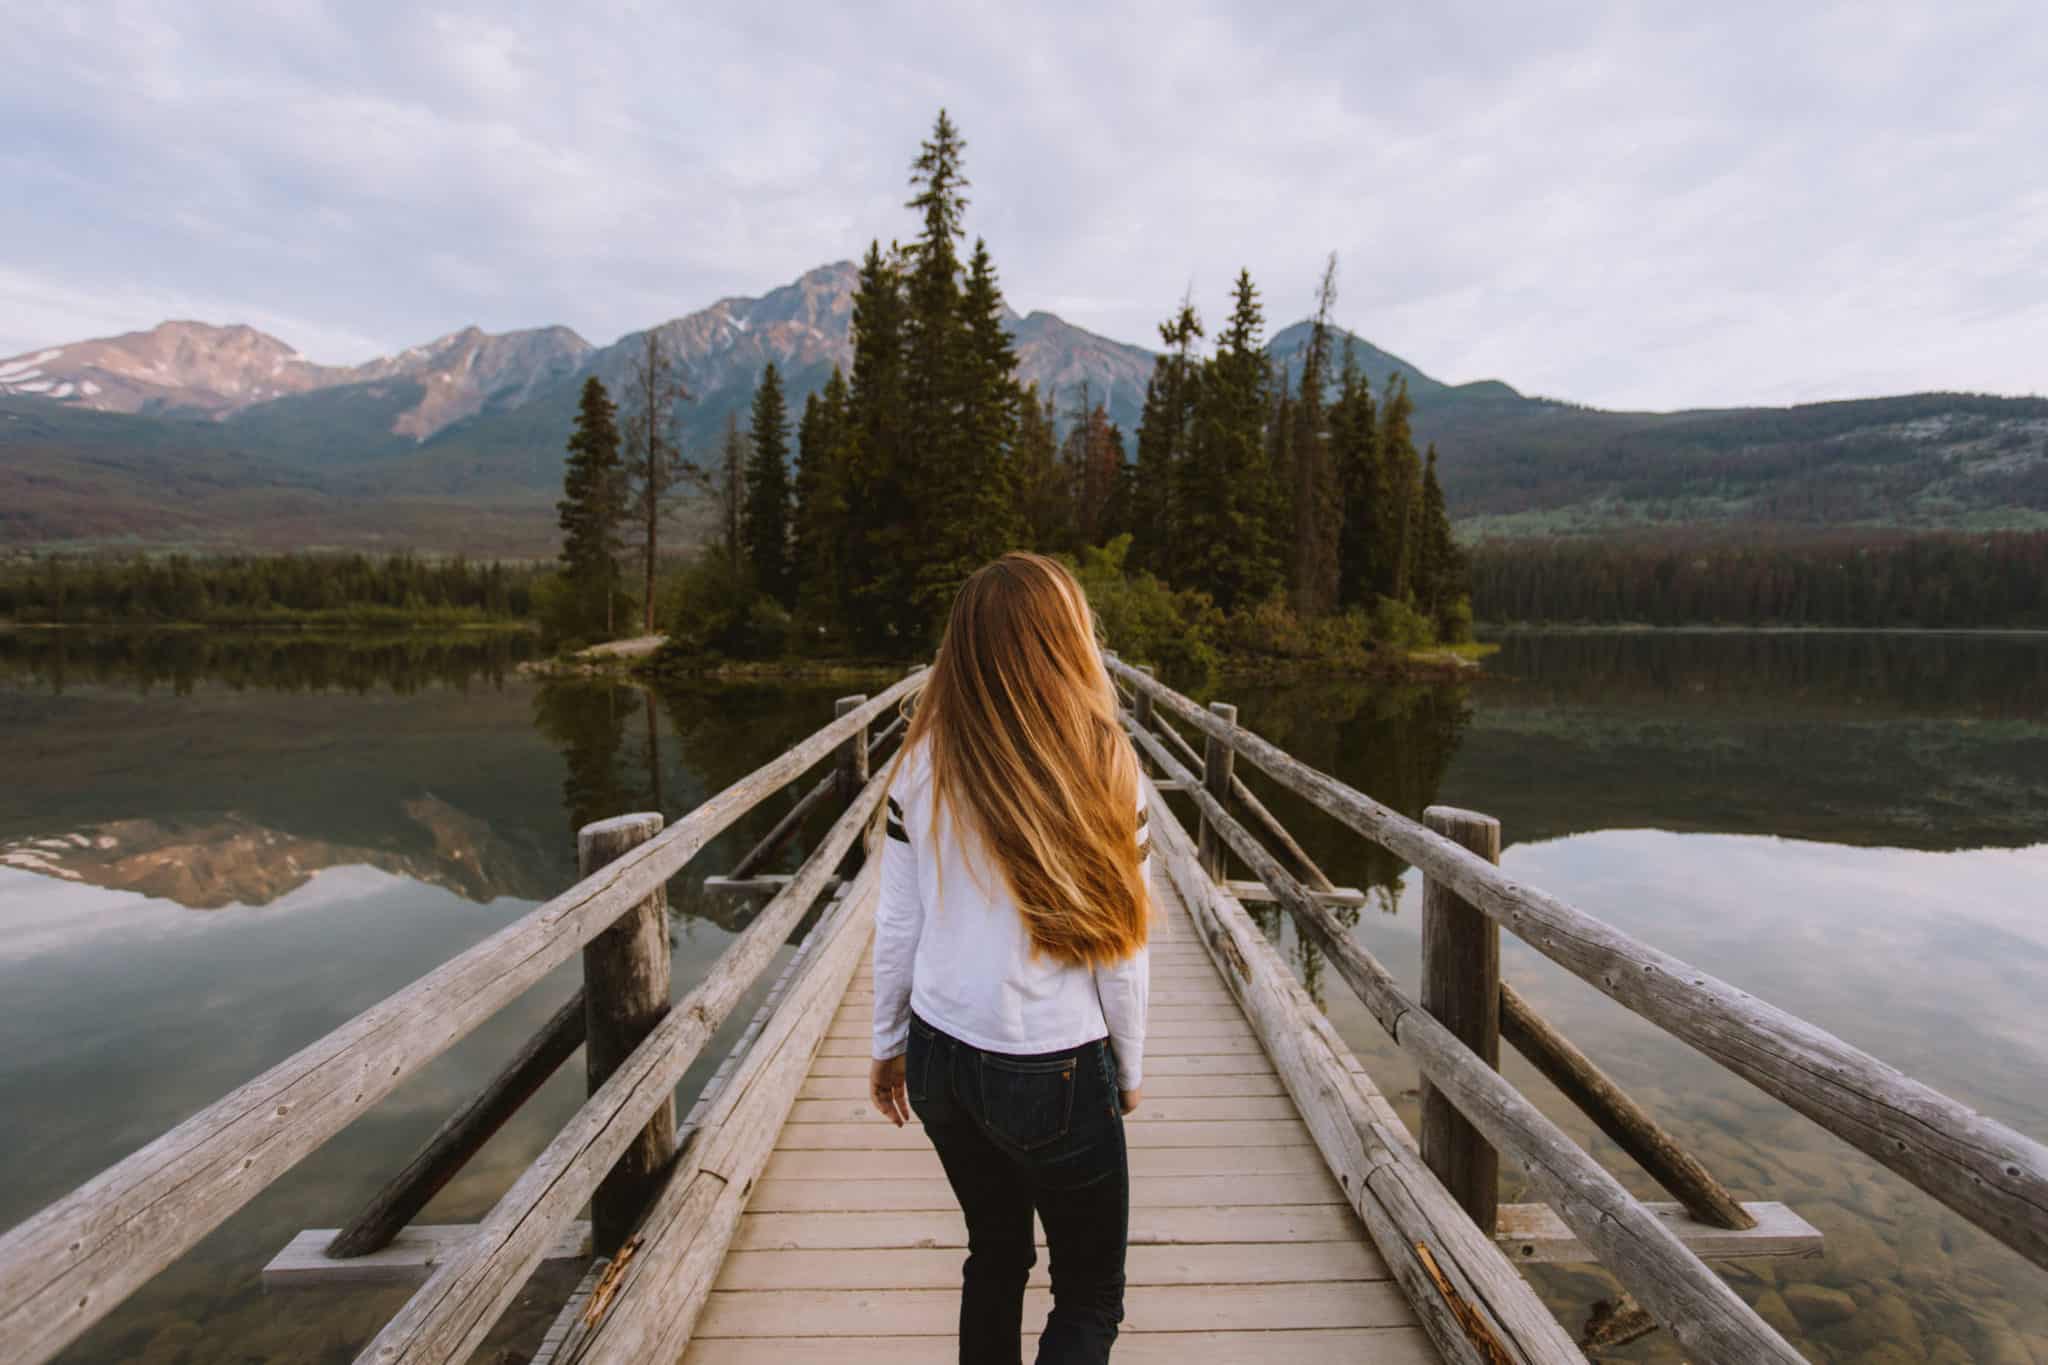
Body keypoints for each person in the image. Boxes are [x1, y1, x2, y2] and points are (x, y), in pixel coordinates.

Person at [868, 551, 1153, 1365]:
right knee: (1089, 1293)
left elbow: (898, 924)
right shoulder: (1104, 762)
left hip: (940, 1057)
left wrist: (887, 1046)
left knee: (995, 1254)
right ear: (1067, 641)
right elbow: (1122, 948)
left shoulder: (923, 761)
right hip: (1054, 1063)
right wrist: (1127, 1069)